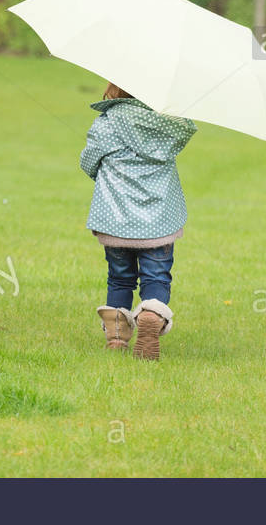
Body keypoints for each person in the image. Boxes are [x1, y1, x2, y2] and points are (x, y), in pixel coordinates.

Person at [80, 82, 196, 360]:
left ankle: (117, 337)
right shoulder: (169, 126)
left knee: (119, 278)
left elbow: (88, 162)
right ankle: (152, 315)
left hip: (115, 220)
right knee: (156, 276)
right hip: (159, 223)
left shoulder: (106, 125)